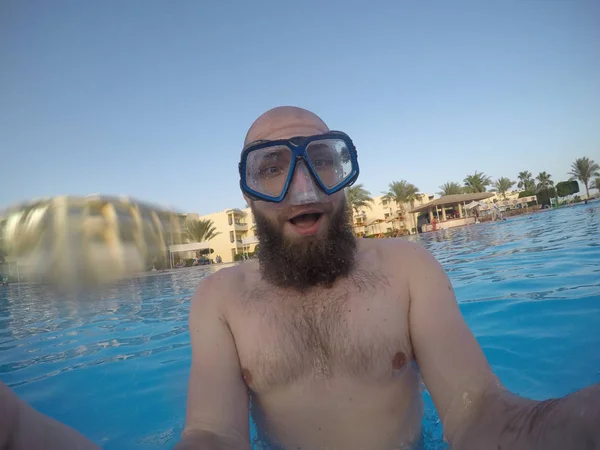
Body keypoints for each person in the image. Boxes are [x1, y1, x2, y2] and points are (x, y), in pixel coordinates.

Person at [0, 106, 598, 450]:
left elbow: (481, 415)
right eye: (273, 170)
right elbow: (214, 434)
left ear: (345, 174)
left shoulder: (407, 267)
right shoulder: (220, 299)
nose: (303, 190)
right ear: (248, 194)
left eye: (321, 162)